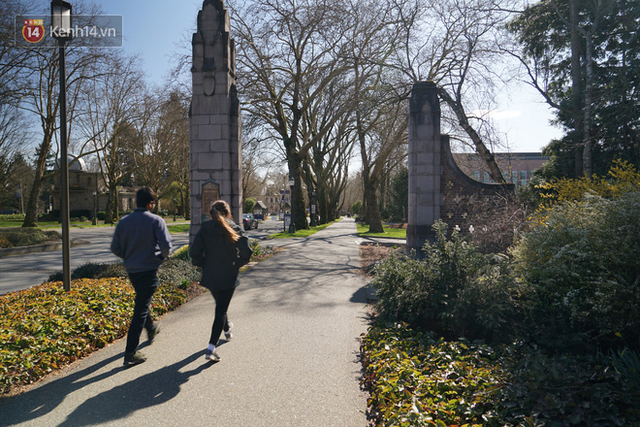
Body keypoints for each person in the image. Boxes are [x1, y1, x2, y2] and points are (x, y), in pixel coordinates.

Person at [110, 186, 172, 366]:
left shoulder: (123, 222)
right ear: (151, 204)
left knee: (142, 301)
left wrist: (129, 257)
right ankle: (130, 352)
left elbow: (115, 248)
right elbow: (166, 246)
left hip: (132, 270)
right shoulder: (156, 221)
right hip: (149, 269)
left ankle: (151, 329)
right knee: (141, 309)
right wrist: (159, 258)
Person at [190, 200, 252, 362]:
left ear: (211, 213)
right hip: (228, 273)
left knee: (221, 307)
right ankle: (211, 347)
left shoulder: (204, 229)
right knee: (221, 310)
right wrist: (237, 263)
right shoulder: (234, 227)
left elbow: (194, 253)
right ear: (227, 213)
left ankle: (227, 328)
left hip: (211, 274)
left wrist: (204, 265)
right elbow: (246, 250)